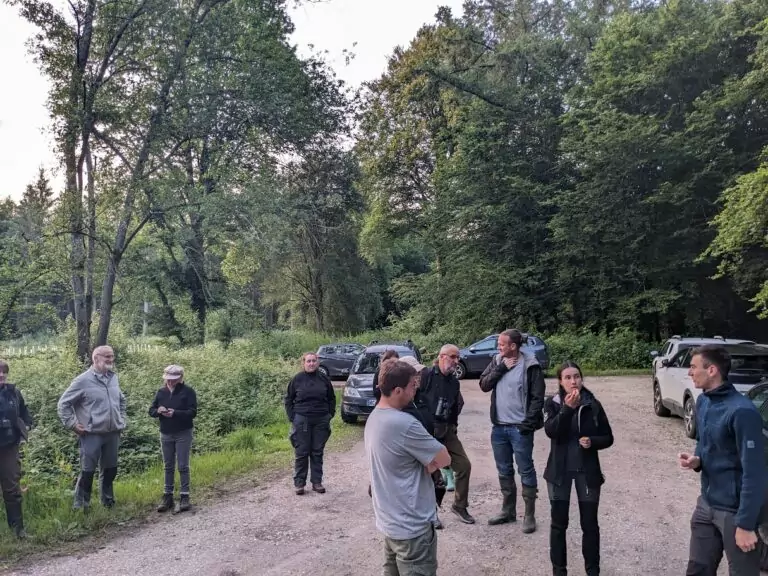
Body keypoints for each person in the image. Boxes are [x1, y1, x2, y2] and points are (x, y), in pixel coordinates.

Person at [679, 345, 766, 576]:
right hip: (706, 504)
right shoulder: (703, 401)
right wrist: (697, 460)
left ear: (712, 370)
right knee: (697, 570)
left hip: (734, 512)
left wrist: (746, 524)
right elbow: (704, 441)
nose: (689, 372)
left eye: (693, 366)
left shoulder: (742, 412)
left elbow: (755, 473)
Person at [365, 358, 451, 576]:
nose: (416, 390)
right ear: (397, 390)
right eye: (413, 385)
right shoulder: (404, 423)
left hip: (390, 523)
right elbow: (444, 459)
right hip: (412, 528)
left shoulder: (374, 417)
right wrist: (428, 464)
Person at [543, 361, 614, 576]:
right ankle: (559, 571)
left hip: (587, 471)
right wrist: (567, 409)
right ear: (560, 381)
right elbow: (551, 431)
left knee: (590, 525)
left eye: (576, 376)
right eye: (568, 377)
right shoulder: (552, 403)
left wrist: (593, 441)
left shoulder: (593, 404)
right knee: (558, 525)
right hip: (559, 472)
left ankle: (593, 571)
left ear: (581, 379)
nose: (573, 381)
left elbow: (608, 437)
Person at [479, 328, 545, 532]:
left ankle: (529, 515)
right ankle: (508, 511)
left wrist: (527, 424)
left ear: (513, 346)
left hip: (520, 429)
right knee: (504, 469)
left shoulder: (530, 364)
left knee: (525, 469)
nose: (498, 347)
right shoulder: (497, 361)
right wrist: (501, 368)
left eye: (502, 344)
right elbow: (483, 384)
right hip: (499, 427)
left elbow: (537, 398)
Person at [57, 345, 127, 510]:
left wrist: (121, 419)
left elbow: (121, 400)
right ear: (96, 358)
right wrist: (72, 424)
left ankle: (108, 503)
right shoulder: (82, 380)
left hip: (113, 432)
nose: (111, 359)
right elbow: (63, 404)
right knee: (87, 471)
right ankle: (81, 506)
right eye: (107, 356)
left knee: (110, 469)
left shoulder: (113, 378)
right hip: (91, 434)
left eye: (112, 356)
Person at [417, 344, 474, 524]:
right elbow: (412, 399)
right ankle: (431, 513)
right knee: (429, 473)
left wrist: (453, 426)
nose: (456, 361)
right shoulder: (426, 375)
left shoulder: (454, 382)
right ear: (441, 357)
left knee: (464, 465)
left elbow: (455, 406)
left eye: (458, 357)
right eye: (453, 357)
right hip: (426, 431)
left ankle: (459, 506)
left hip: (446, 430)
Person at [284, 352, 336, 495]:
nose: (311, 363)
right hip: (302, 420)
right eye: (308, 361)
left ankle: (317, 482)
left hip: (321, 420)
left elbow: (331, 398)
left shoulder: (324, 379)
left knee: (317, 451)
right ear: (304, 363)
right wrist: (293, 417)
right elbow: (288, 399)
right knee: (302, 452)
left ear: (317, 362)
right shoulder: (297, 379)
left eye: (314, 361)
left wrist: (330, 414)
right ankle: (299, 483)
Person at [149, 364, 198, 514]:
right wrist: (159, 411)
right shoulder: (161, 392)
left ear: (181, 378)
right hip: (166, 433)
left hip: (183, 432)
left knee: (183, 465)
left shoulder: (188, 391)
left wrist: (175, 413)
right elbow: (151, 410)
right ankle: (167, 496)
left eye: (174, 379)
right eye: (168, 379)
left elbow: (192, 412)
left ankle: (184, 496)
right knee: (168, 465)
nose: (170, 382)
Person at [0, 360, 33, 538]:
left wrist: (27, 426)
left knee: (12, 489)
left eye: (4, 372)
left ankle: (18, 531)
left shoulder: (13, 392)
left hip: (9, 448)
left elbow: (24, 412)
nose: (1, 375)